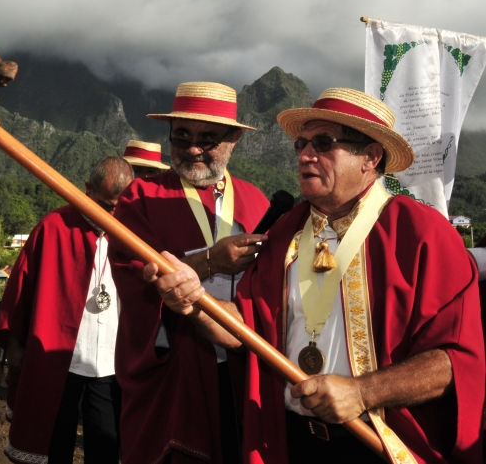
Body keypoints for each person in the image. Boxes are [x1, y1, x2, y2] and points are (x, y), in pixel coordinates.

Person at [147, 88, 485, 463]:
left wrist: (363, 392)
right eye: (302, 144)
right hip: (291, 441)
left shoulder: (423, 234)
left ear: (370, 157)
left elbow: (454, 360)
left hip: (381, 445)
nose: (305, 155)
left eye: (323, 143)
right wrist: (194, 302)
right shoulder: (285, 233)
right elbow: (245, 328)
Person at [110, 81, 269, 464]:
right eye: (182, 136)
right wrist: (210, 261)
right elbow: (135, 275)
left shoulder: (256, 200)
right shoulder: (141, 198)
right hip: (177, 370)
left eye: (207, 139)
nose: (193, 149)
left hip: (242, 370)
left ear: (233, 140)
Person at [0, 156, 134, 464]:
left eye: (118, 207)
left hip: (109, 365)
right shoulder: (54, 227)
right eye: (104, 206)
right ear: (87, 189)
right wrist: (15, 345)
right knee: (53, 448)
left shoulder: (134, 232)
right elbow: (20, 290)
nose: (112, 216)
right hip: (59, 362)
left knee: (107, 449)